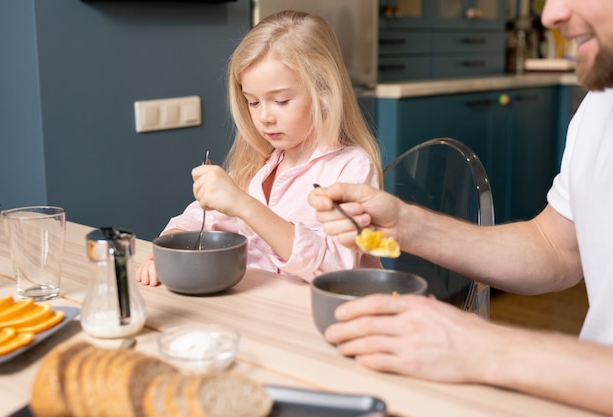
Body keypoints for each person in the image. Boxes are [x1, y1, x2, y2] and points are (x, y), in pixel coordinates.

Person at [308, 0, 613, 415]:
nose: (550, 15)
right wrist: (406, 225)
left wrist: (479, 347)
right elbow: (556, 247)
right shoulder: (601, 102)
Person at [137, 10, 383, 286]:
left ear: (324, 93)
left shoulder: (351, 168)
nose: (264, 117)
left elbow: (336, 268)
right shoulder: (258, 161)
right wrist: (170, 246)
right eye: (253, 102)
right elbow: (205, 215)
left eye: (280, 101)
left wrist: (245, 206)